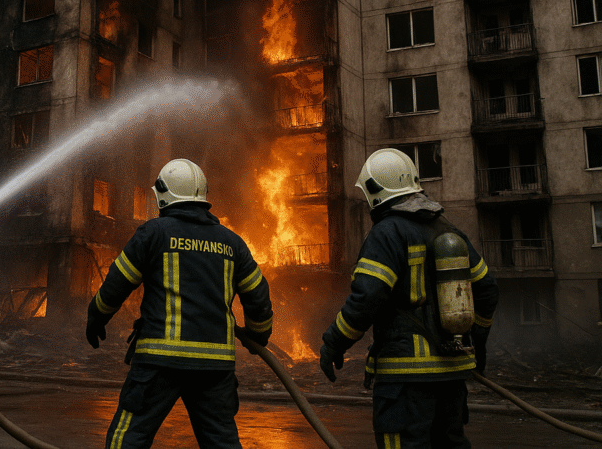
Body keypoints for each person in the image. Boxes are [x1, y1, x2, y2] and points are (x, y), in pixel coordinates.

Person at [86, 158, 274, 449]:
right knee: (222, 442)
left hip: (160, 363)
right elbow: (258, 295)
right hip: (214, 368)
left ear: (162, 194)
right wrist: (258, 336)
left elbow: (117, 284)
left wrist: (96, 316)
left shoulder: (152, 234)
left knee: (129, 438)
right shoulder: (232, 243)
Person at [319, 148, 499, 449]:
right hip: (452, 377)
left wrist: (333, 343)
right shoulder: (449, 231)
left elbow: (367, 298)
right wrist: (477, 342)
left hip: (406, 379)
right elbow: (487, 289)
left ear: (375, 192)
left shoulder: (386, 234)